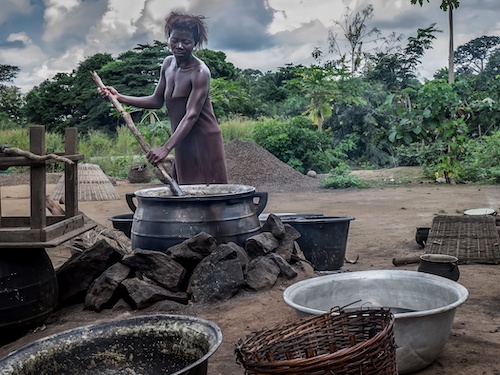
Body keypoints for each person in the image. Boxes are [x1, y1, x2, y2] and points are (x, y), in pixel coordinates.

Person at [99, 11, 228, 185]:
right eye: (175, 40)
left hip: (202, 139)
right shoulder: (168, 64)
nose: (179, 46)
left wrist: (166, 148)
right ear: (169, 39)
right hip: (181, 138)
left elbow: (191, 115)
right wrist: (119, 97)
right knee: (185, 192)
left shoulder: (200, 72)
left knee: (207, 193)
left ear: (195, 44)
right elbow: (156, 100)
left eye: (186, 42)